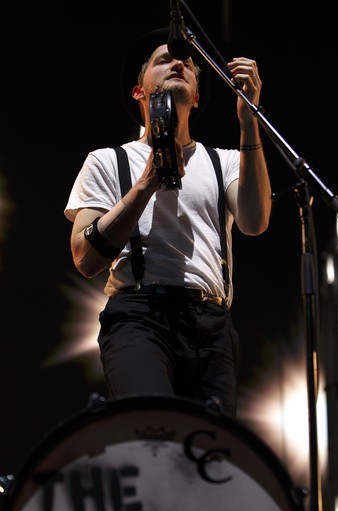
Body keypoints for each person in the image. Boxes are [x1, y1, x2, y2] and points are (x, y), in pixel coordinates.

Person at [64, 27, 272, 420]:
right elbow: (85, 257)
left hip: (211, 322)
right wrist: (146, 183)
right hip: (139, 316)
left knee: (210, 450)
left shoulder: (223, 161)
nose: (179, 63)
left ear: (195, 96)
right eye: (163, 60)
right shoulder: (108, 161)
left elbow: (255, 221)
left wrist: (249, 122)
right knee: (155, 431)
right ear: (138, 91)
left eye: (189, 65)